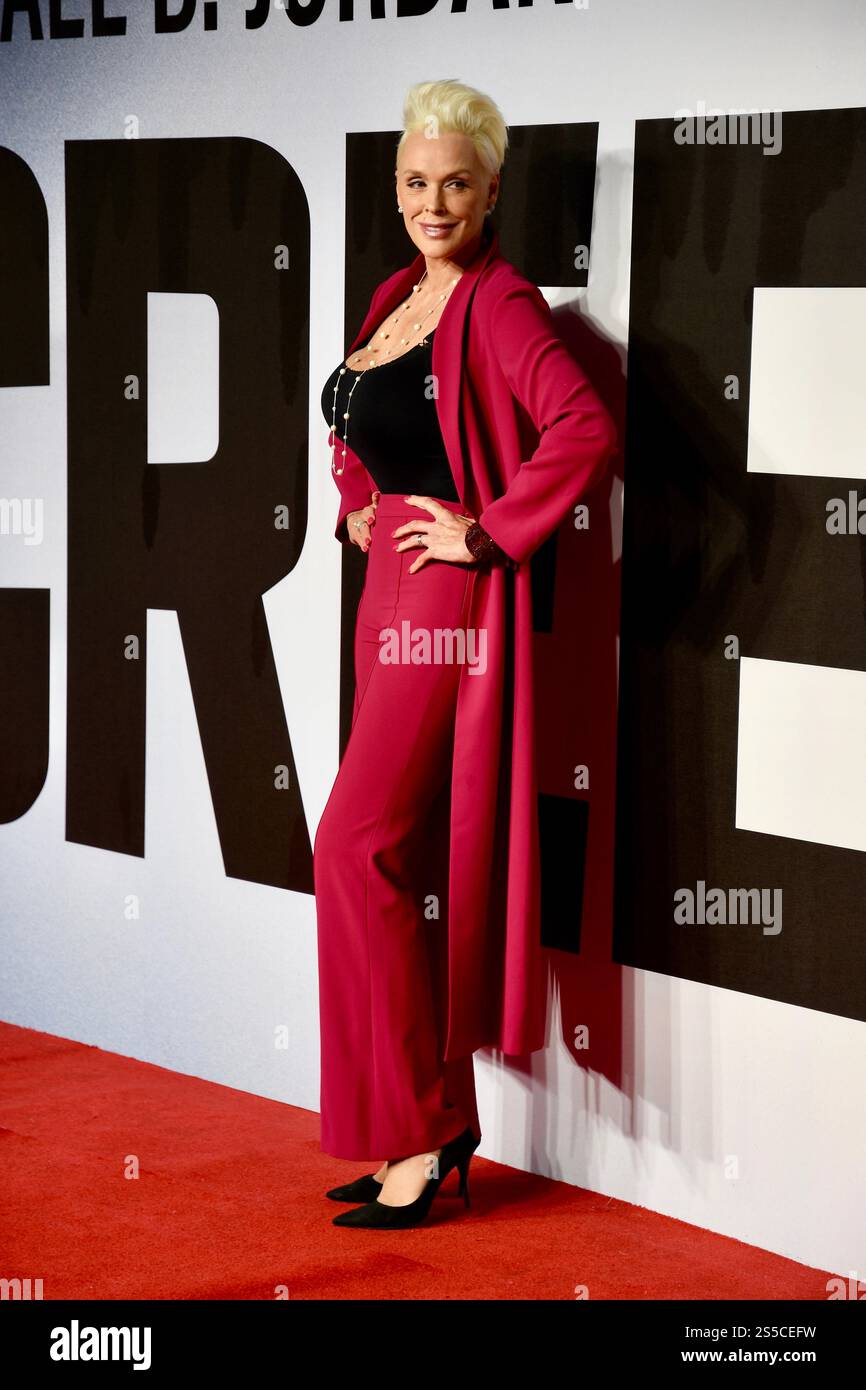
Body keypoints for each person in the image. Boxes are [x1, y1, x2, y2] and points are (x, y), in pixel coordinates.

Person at [314, 78, 617, 1230]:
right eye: (413, 182)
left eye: (454, 183)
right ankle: (419, 1123)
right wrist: (356, 498)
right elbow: (348, 414)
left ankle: (423, 1133)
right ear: (395, 189)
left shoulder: (496, 305)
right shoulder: (397, 292)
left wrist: (488, 529)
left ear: (491, 189)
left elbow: (582, 425)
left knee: (356, 847)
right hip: (385, 589)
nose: (431, 202)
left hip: (446, 608)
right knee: (370, 857)